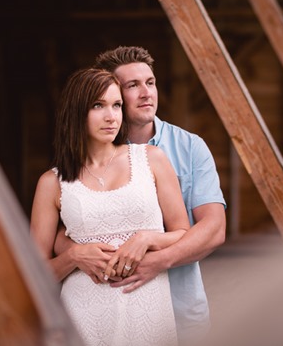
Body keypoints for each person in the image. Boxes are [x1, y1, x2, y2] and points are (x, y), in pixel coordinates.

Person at [53, 46, 227, 344]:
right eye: (133, 86)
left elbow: (213, 229)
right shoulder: (79, 156)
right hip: (97, 307)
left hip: (179, 307)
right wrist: (74, 252)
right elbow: (67, 220)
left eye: (150, 82)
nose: (147, 93)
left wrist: (157, 258)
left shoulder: (188, 147)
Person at [30, 67, 190, 346]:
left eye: (116, 105)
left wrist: (147, 238)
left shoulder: (151, 159)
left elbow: (183, 233)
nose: (111, 116)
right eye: (98, 106)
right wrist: (74, 256)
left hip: (148, 309)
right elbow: (34, 275)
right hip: (83, 315)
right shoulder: (51, 183)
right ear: (76, 112)